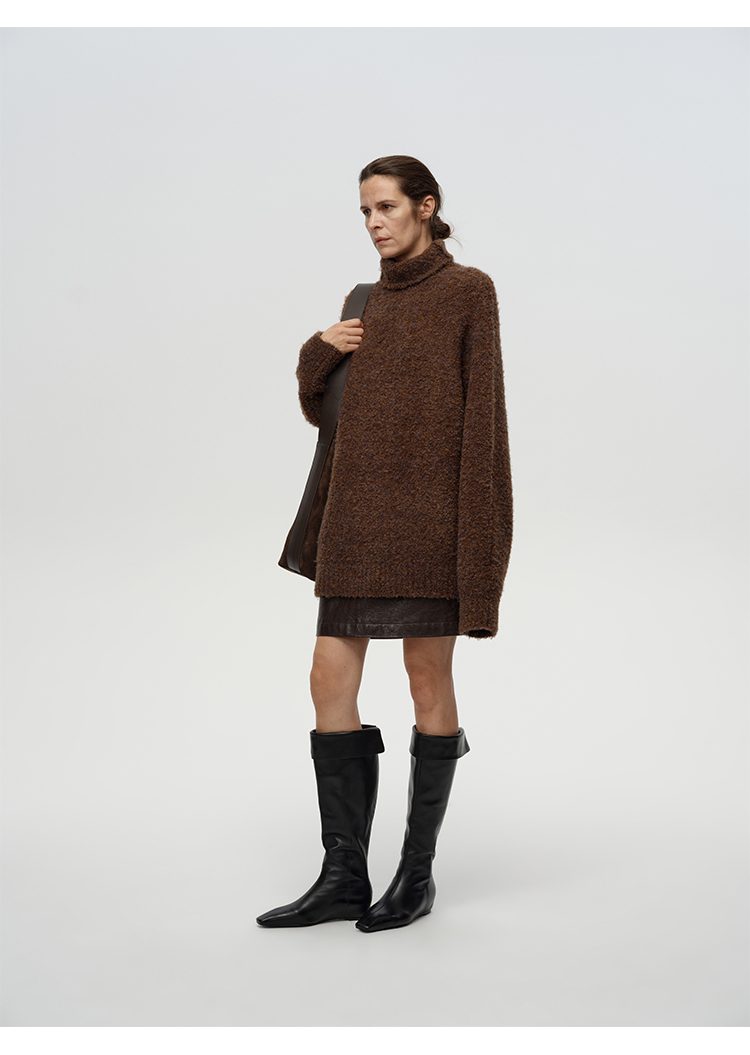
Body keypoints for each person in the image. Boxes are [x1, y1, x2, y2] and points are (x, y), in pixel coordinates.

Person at [257, 155, 512, 932]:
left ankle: (416, 874)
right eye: (365, 210)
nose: (373, 222)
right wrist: (320, 349)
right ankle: (343, 874)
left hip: (431, 526)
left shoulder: (468, 291)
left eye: (387, 207)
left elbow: (485, 425)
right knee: (325, 675)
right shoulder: (361, 300)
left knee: (426, 680)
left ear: (426, 207)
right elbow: (329, 411)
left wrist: (480, 562)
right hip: (355, 522)